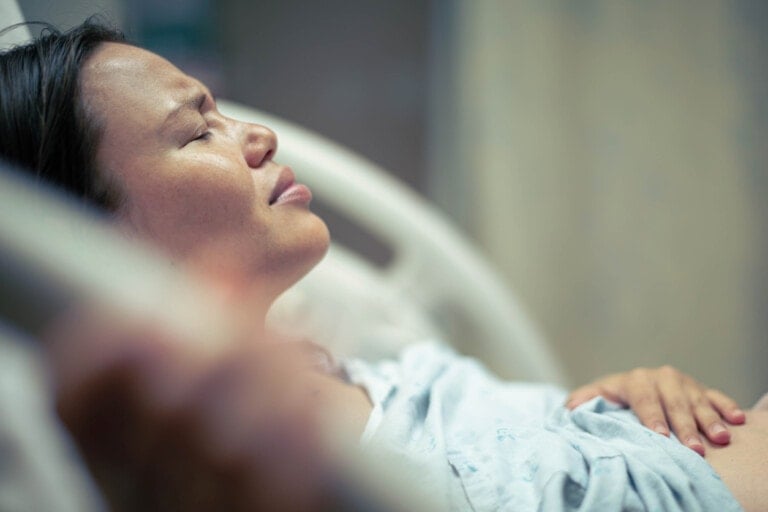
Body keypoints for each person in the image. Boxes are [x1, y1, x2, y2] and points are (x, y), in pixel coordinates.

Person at [0, 20, 765, 511]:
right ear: (85, 234)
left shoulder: (365, 373)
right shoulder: (225, 474)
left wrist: (618, 404)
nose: (259, 136)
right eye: (196, 133)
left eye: (222, 113)